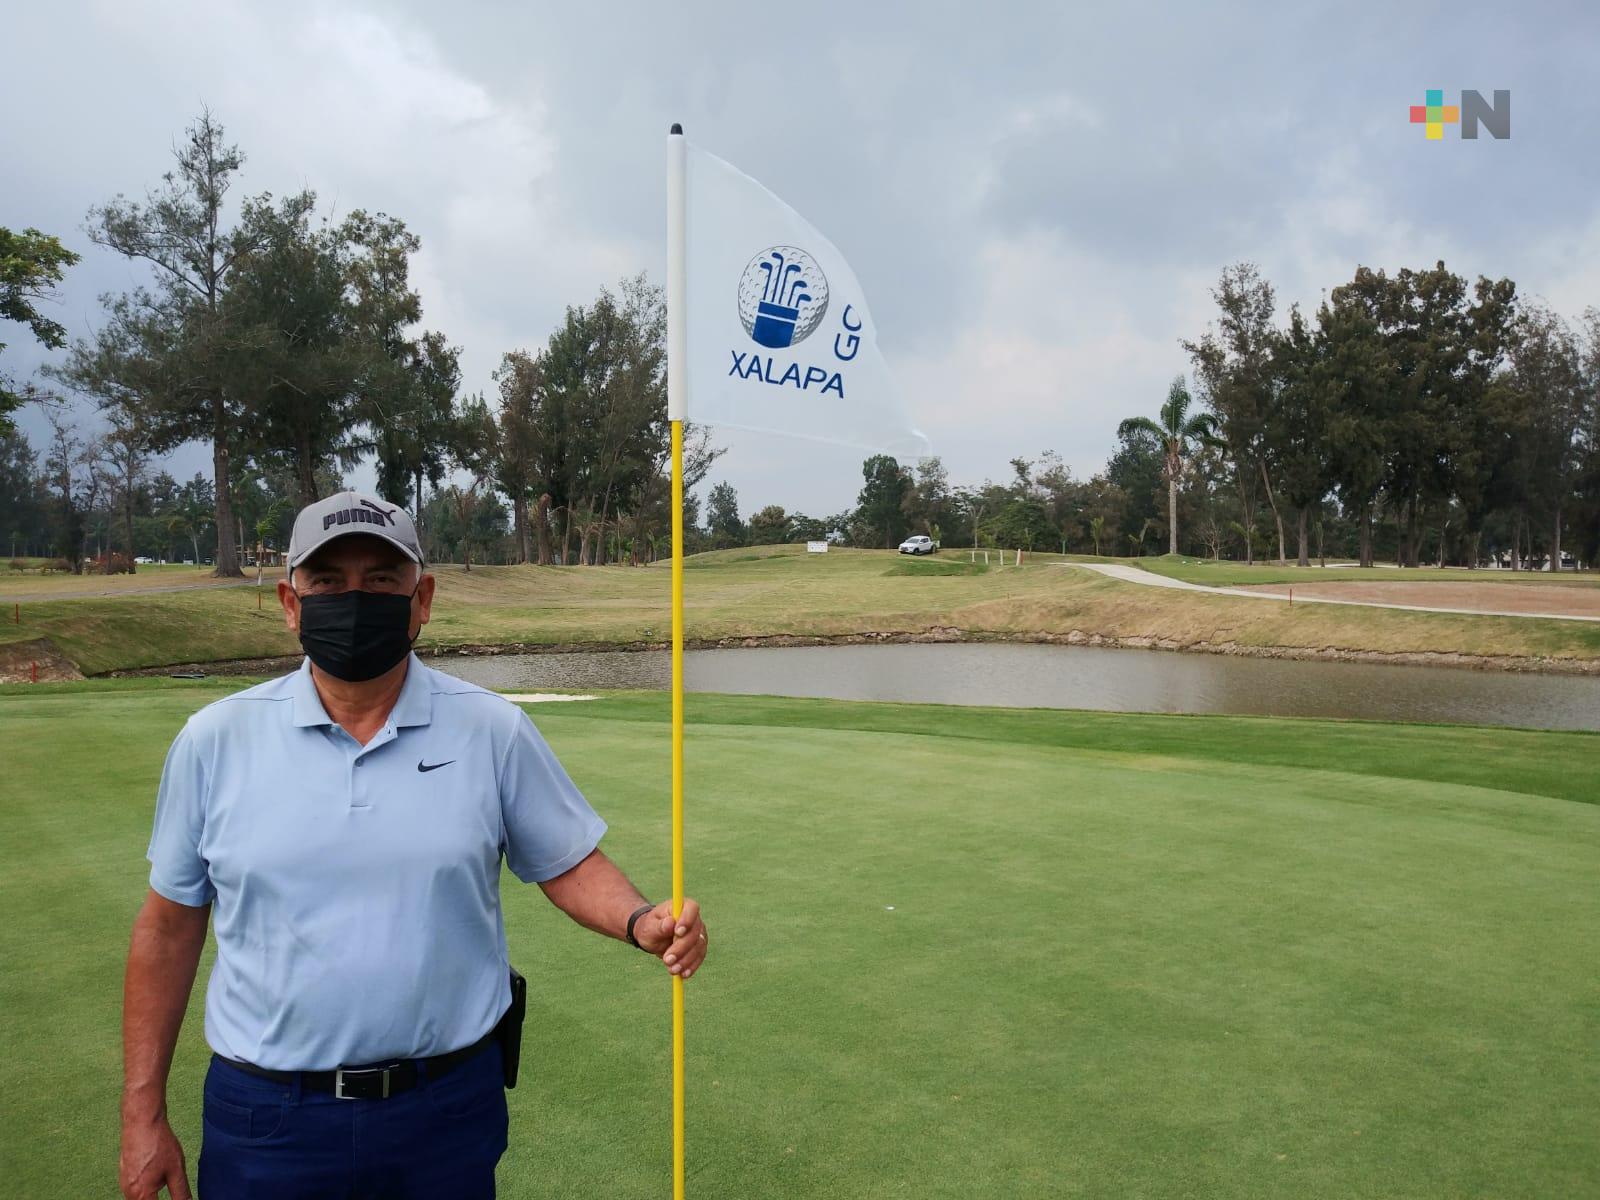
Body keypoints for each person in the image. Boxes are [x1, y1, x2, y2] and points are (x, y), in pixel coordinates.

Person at [119, 490, 708, 1200]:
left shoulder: (493, 730)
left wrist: (641, 919)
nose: (354, 598)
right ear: (289, 601)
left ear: (421, 597)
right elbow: (167, 928)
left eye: (381, 581)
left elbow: (568, 861)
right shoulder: (215, 741)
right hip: (268, 1118)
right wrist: (142, 1112)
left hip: (444, 1111)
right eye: (329, 582)